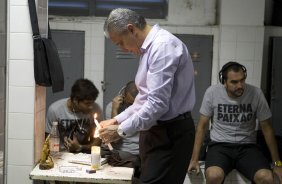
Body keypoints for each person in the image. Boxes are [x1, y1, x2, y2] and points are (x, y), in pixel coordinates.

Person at [99, 8, 196, 184]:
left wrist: (121, 131)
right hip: (155, 131)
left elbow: (157, 104)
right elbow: (144, 99)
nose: (123, 49)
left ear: (131, 29)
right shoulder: (147, 50)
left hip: (171, 132)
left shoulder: (163, 47)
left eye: (120, 42)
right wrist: (117, 120)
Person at [188, 61, 282, 184]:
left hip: (247, 147)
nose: (240, 85)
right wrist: (194, 159)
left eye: (242, 80)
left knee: (266, 177)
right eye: (234, 82)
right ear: (224, 82)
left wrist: (277, 163)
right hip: (219, 146)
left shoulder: (256, 94)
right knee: (213, 176)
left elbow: (267, 128)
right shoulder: (212, 93)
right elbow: (202, 126)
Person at [46, 78, 103, 153]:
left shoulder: (96, 109)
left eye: (92, 102)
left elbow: (98, 142)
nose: (91, 107)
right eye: (87, 103)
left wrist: (80, 147)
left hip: (85, 153)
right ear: (75, 100)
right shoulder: (55, 110)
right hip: (60, 154)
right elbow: (48, 140)